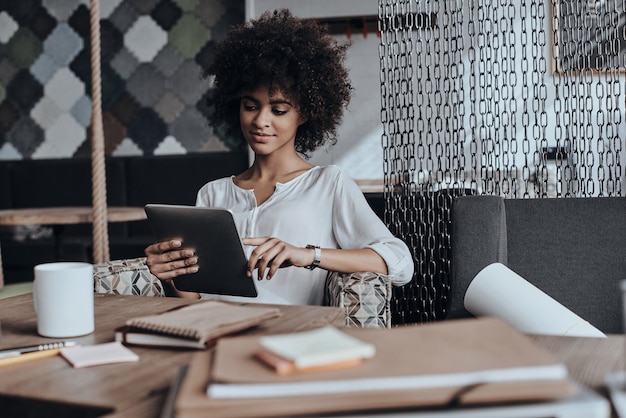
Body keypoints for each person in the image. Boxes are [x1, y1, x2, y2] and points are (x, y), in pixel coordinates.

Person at [144, 9, 414, 305]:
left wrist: (308, 254)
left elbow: (400, 263)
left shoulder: (328, 184)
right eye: (250, 106)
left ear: (306, 113)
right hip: (214, 334)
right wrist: (170, 274)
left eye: (279, 109)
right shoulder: (213, 193)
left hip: (289, 336)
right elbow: (193, 299)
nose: (260, 120)